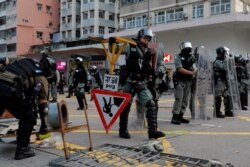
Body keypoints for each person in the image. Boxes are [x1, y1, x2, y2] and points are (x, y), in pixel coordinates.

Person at [117, 27, 165, 139]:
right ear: (140, 37)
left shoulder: (149, 50)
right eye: (145, 37)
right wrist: (112, 43)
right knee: (125, 106)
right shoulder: (130, 46)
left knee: (151, 104)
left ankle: (152, 131)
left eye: (149, 38)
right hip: (129, 80)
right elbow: (116, 49)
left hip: (141, 81)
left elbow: (156, 61)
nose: (147, 40)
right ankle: (122, 130)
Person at [0, 57, 48, 160]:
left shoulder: (26, 61)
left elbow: (6, 61)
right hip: (10, 89)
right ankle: (22, 150)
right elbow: (42, 104)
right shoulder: (41, 77)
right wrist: (44, 125)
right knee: (28, 117)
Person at [171, 41, 197, 125]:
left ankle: (181, 116)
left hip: (188, 82)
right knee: (179, 99)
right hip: (180, 81)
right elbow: (179, 69)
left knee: (185, 100)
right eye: (187, 49)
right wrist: (191, 73)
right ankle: (175, 117)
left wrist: (194, 71)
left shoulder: (191, 57)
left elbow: (195, 66)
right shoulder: (178, 57)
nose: (188, 51)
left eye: (189, 49)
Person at [213, 46, 233, 118]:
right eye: (225, 53)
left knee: (227, 96)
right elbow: (224, 68)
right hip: (219, 81)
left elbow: (229, 68)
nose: (225, 55)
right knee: (218, 96)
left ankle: (228, 111)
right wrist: (226, 59)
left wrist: (229, 60)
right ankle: (217, 112)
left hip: (224, 81)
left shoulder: (223, 61)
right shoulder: (217, 62)